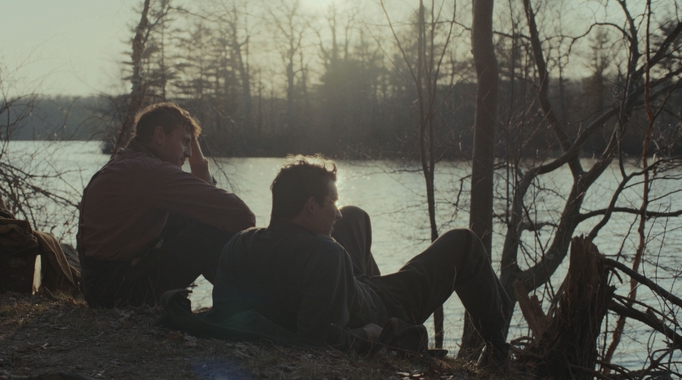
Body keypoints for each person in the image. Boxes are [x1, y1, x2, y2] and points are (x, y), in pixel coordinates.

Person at [207, 156, 510, 368]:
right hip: (383, 307)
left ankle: (371, 279)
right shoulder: (327, 254)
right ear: (311, 206)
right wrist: (368, 334)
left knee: (354, 216)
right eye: (331, 203)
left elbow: (222, 311)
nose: (336, 213)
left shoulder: (240, 243)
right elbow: (321, 341)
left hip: (345, 286)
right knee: (464, 242)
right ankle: (498, 349)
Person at [76, 102, 255, 308]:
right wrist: (199, 167)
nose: (189, 152)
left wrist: (198, 163)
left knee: (195, 215)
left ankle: (245, 305)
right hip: (119, 294)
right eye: (185, 141)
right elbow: (242, 215)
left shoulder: (127, 162)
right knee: (213, 231)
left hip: (99, 289)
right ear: (160, 136)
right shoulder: (152, 172)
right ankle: (250, 307)